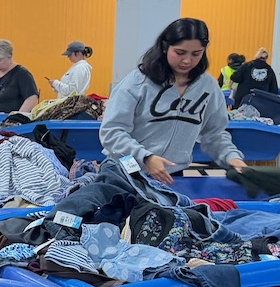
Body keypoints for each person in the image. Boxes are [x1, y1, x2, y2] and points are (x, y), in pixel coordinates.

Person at [101, 17, 247, 185]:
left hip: (172, 177)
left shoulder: (208, 87)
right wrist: (145, 157)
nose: (187, 61)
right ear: (165, 47)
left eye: (196, 54)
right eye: (180, 52)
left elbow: (214, 134)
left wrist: (232, 158)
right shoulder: (137, 83)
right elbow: (112, 132)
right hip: (126, 173)